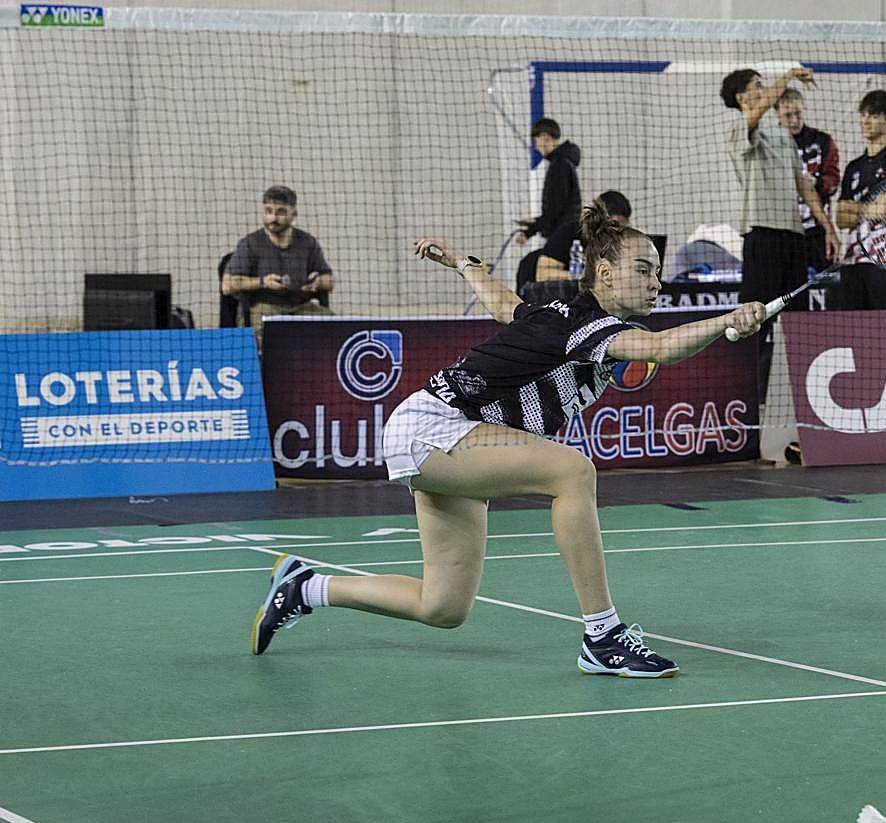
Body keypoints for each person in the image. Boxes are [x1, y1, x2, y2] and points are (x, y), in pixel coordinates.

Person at [250, 197, 769, 678]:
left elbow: (504, 306)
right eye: (643, 270)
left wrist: (465, 264)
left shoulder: (554, 315)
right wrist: (731, 320)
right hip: (437, 427)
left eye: (657, 272)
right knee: (572, 471)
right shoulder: (585, 325)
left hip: (458, 439)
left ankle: (305, 588)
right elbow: (659, 348)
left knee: (443, 606)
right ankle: (603, 635)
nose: (656, 283)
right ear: (605, 273)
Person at [721, 66, 840, 408]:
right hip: (762, 237)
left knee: (796, 322)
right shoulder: (739, 130)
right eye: (757, 86)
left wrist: (827, 227)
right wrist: (787, 76)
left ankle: (799, 404)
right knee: (754, 320)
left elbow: (804, 184)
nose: (764, 89)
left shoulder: (783, 136)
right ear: (742, 96)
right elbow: (759, 112)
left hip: (793, 239)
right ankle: (747, 401)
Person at [836, 90, 886, 310]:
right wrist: (867, 209)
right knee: (852, 331)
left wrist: (855, 209)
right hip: (853, 260)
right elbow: (841, 218)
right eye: (863, 114)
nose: (865, 121)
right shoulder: (854, 167)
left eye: (873, 115)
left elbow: (883, 210)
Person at [221, 185, 336, 335]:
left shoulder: (308, 242)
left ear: (294, 213)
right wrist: (262, 282)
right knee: (263, 336)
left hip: (302, 308)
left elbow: (330, 281)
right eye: (268, 211)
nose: (273, 218)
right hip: (264, 309)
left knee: (334, 329)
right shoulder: (250, 243)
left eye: (280, 212)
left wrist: (318, 282)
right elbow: (227, 285)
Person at [775, 87, 841, 293]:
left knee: (832, 288)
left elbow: (834, 179)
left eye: (798, 114)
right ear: (776, 113)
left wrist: (818, 183)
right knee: (787, 290)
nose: (794, 120)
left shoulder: (822, 141)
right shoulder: (770, 142)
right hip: (784, 231)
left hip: (817, 230)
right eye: (788, 115)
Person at [515, 189, 632, 299]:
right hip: (554, 299)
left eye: (622, 228)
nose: (617, 232)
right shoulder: (569, 232)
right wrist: (586, 276)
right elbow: (543, 274)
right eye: (614, 225)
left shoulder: (617, 243)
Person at [514, 118, 582, 246]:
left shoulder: (559, 166)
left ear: (544, 137)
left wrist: (530, 231)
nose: (536, 146)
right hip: (566, 234)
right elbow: (559, 207)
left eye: (536, 141)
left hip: (561, 238)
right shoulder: (563, 163)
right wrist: (535, 222)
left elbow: (554, 210)